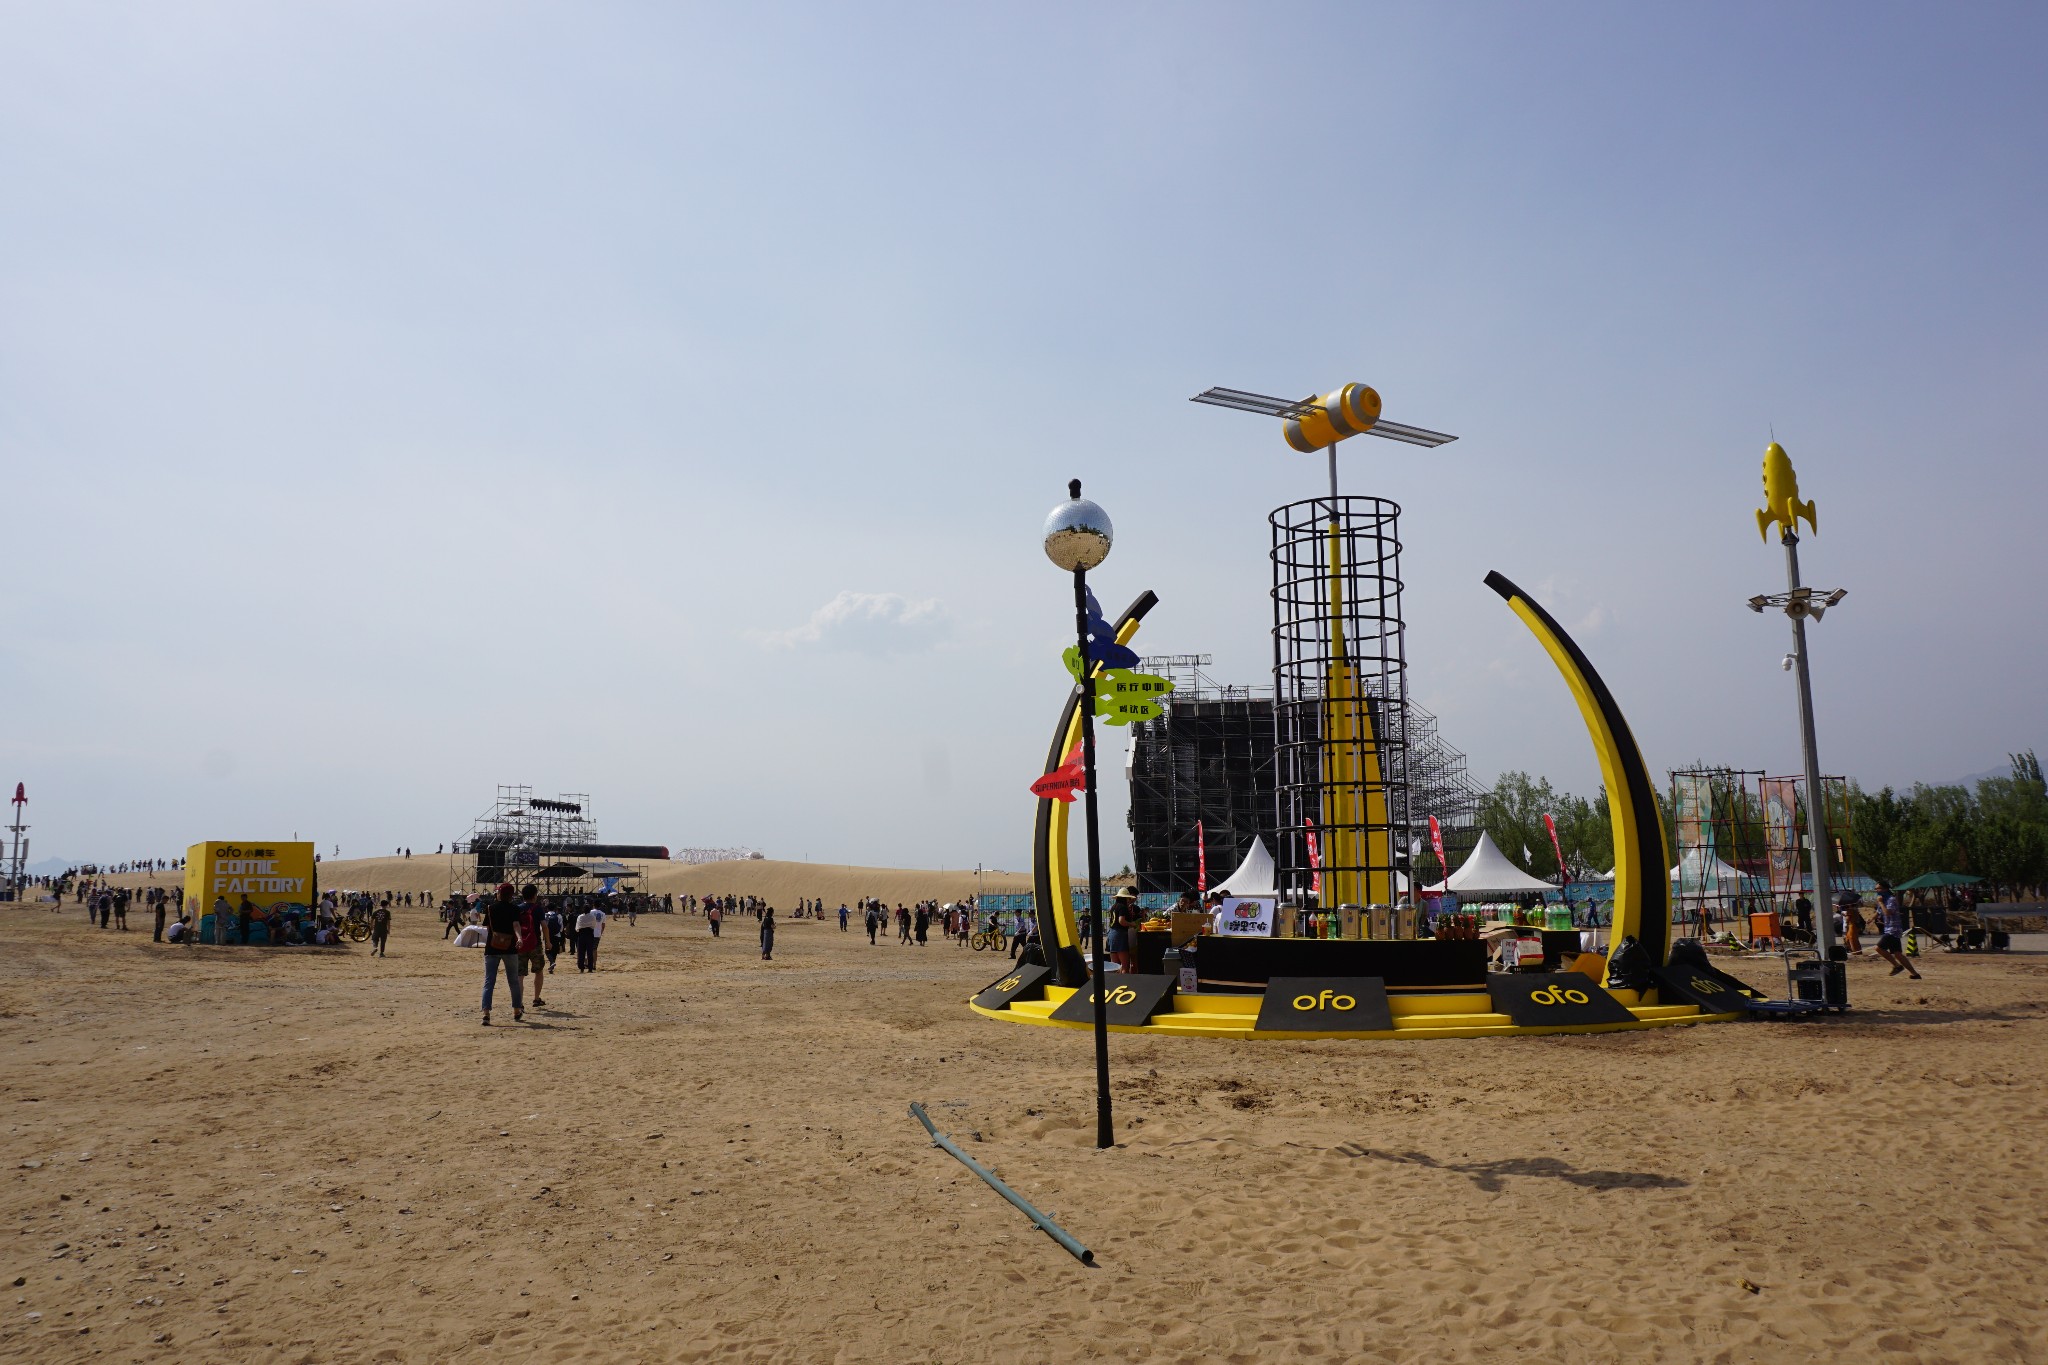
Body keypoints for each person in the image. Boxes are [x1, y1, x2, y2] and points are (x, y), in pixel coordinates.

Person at [479, 883, 525, 1025]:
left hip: (492, 948)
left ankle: (486, 1013)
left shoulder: (490, 908)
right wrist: (519, 938)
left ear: (499, 893)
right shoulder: (515, 909)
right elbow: (516, 925)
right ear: (511, 895)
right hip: (510, 948)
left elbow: (487, 928)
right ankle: (516, 1010)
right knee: (513, 981)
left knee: (489, 981)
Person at [1872, 880, 1922, 980]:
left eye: (1878, 889)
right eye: (1876, 889)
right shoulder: (1883, 899)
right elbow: (1879, 911)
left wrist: (1881, 902)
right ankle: (1914, 974)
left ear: (1885, 889)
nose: (1877, 891)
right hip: (1888, 929)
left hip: (1893, 929)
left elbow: (1888, 912)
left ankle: (1897, 966)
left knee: (1878, 948)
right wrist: (1871, 919)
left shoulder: (1891, 899)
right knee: (1898, 954)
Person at [516, 886, 548, 1006]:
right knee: (538, 971)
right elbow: (544, 926)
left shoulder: (517, 908)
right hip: (535, 943)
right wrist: (548, 941)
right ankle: (536, 998)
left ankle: (519, 1002)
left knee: (520, 975)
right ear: (535, 895)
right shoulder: (538, 909)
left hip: (520, 944)